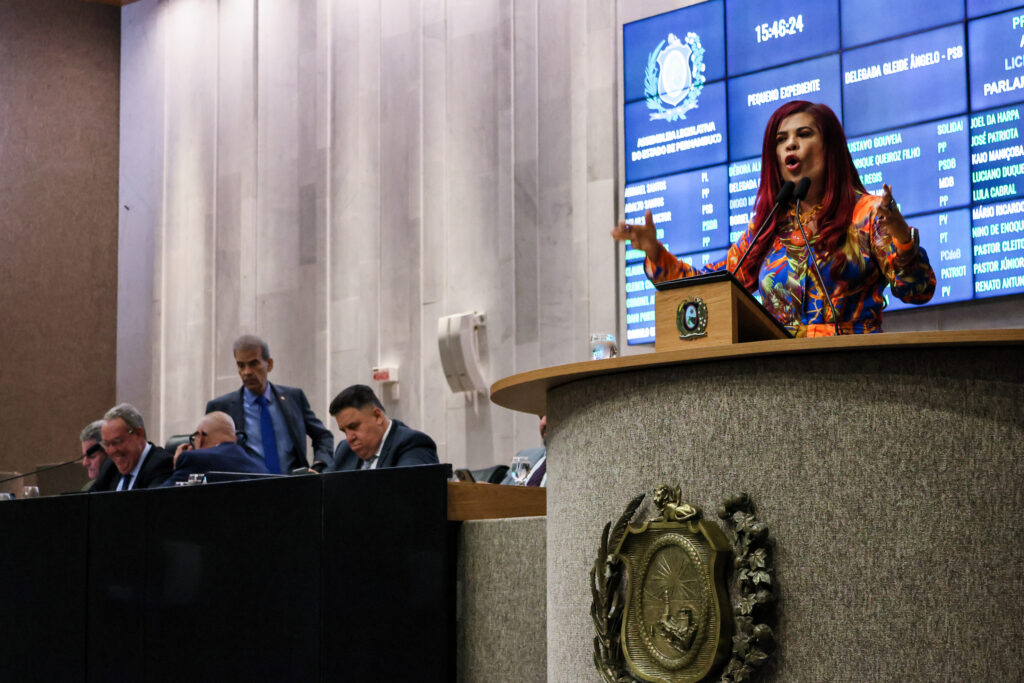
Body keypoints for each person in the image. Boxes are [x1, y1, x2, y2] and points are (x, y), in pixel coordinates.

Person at [612, 101, 936, 336]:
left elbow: (917, 292)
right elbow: (714, 285)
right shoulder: (769, 225)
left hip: (856, 369)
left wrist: (901, 237)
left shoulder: (868, 212)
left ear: (830, 148)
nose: (790, 144)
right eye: (781, 139)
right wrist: (656, 253)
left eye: (804, 134)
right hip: (780, 378)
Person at [206, 335, 334, 473]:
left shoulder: (294, 398)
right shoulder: (220, 408)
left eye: (254, 364)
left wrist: (319, 464)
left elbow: (323, 436)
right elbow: (205, 452)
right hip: (246, 489)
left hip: (294, 487)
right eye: (241, 365)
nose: (247, 372)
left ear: (270, 364)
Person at [327, 384, 439, 471]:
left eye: (354, 427)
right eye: (344, 431)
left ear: (377, 416)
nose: (349, 438)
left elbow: (406, 491)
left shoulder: (413, 444)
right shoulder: (344, 449)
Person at [162, 411, 269, 486]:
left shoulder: (193, 459)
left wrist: (176, 468)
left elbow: (157, 498)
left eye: (194, 437)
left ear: (201, 435)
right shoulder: (260, 468)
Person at [91, 403, 174, 491]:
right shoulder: (109, 466)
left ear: (139, 434)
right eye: (106, 444)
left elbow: (149, 503)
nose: (111, 451)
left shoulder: (162, 465)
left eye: (117, 442)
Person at [501, 415, 548, 486]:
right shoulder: (524, 456)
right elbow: (504, 489)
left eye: (550, 414)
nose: (542, 423)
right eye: (541, 417)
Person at [79, 420, 107, 489]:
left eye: (92, 456)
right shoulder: (88, 488)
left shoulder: (123, 485)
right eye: (84, 456)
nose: (85, 463)